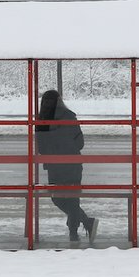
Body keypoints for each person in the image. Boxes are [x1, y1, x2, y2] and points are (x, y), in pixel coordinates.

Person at [35, 89, 99, 243]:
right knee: (72, 198)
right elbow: (80, 143)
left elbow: (42, 148)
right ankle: (80, 228)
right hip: (72, 165)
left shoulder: (41, 120)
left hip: (54, 167)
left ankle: (80, 228)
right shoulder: (69, 116)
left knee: (58, 199)